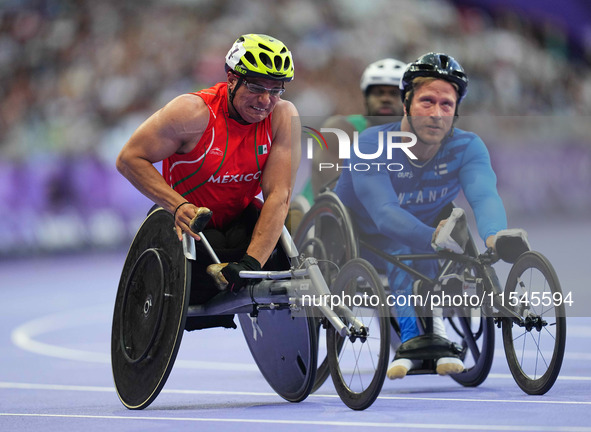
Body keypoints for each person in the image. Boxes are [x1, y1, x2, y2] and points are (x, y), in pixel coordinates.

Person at [334, 52, 507, 379]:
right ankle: (420, 339)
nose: (437, 113)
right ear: (405, 104)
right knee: (410, 249)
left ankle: (431, 334)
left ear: (456, 111)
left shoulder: (468, 146)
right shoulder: (372, 143)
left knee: (441, 238)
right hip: (363, 236)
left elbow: (484, 196)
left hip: (426, 232)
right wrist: (432, 238)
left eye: (447, 105)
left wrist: (495, 235)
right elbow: (385, 215)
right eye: (427, 102)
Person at [116, 34, 301, 330]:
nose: (265, 100)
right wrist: (176, 205)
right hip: (190, 229)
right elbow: (129, 159)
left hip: (239, 223)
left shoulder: (282, 116)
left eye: (275, 89)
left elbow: (279, 194)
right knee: (208, 247)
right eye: (255, 87)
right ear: (231, 78)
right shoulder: (191, 113)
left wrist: (253, 264)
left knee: (290, 238)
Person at [288, 58, 407, 232]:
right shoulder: (340, 129)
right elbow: (335, 194)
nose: (385, 99)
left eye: (394, 93)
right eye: (378, 92)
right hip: (318, 224)